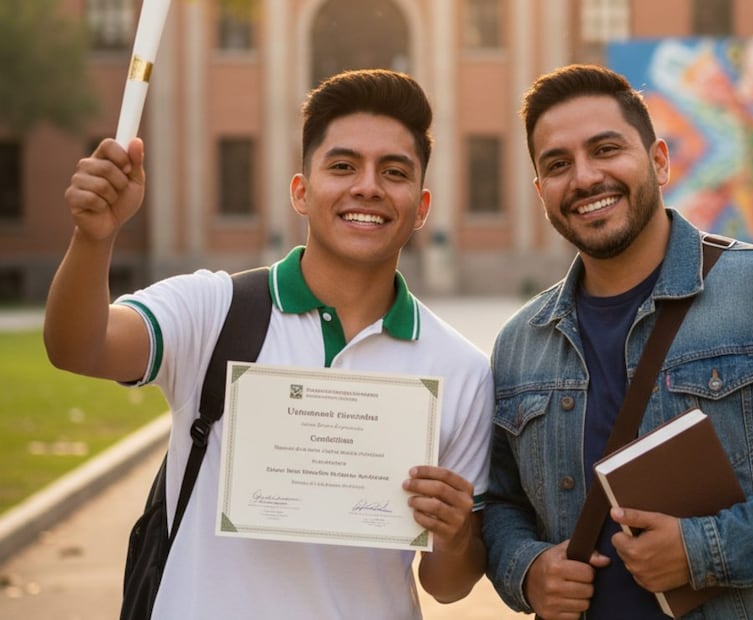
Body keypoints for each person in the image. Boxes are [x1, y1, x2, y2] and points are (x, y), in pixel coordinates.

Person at [44, 69, 493, 619]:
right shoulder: (214, 310)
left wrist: (453, 537)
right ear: (301, 192)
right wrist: (95, 238)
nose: (368, 187)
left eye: (393, 171)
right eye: (343, 166)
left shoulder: (462, 369)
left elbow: (448, 586)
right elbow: (77, 348)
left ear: (420, 207)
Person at [482, 64, 753, 619]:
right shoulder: (517, 344)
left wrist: (707, 550)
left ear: (659, 161)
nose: (583, 178)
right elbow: (500, 502)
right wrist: (527, 570)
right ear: (540, 191)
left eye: (606, 149)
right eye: (558, 164)